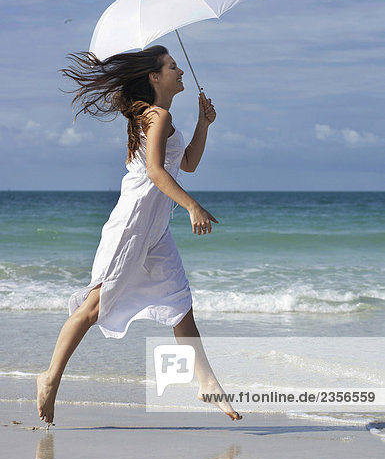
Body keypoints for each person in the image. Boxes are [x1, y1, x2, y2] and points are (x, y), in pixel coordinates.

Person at [37, 45, 241, 424]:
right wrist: (192, 206)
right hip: (132, 226)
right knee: (94, 307)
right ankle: (49, 379)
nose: (180, 71)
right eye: (172, 66)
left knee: (181, 304)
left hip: (154, 228)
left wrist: (204, 123)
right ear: (154, 76)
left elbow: (188, 165)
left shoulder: (161, 118)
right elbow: (155, 172)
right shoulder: (157, 115)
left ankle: (207, 382)